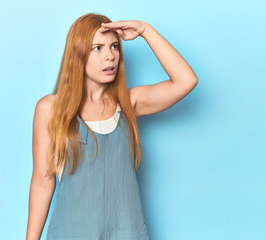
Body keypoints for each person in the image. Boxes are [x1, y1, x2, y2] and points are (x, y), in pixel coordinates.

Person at [26, 13, 198, 240]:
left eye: (114, 46)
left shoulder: (128, 104)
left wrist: (145, 30)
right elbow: (42, 181)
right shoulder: (51, 108)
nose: (110, 56)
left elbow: (186, 81)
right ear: (77, 54)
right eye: (97, 48)